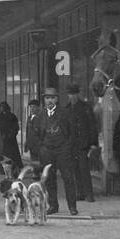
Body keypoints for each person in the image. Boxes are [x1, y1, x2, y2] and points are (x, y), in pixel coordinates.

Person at [28, 86, 78, 215]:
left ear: (57, 99)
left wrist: (67, 147)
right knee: (49, 179)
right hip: (47, 151)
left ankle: (72, 207)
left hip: (63, 150)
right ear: (44, 100)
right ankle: (53, 206)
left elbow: (72, 132)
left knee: (68, 178)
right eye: (47, 98)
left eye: (52, 98)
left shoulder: (65, 113)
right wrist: (41, 149)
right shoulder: (39, 115)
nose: (50, 100)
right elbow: (35, 135)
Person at [67, 83, 98, 203]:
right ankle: (80, 193)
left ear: (78, 95)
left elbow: (92, 126)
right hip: (71, 144)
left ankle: (89, 194)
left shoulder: (85, 107)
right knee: (75, 169)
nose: (72, 97)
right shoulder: (67, 109)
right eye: (70, 94)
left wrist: (93, 143)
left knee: (84, 169)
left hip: (83, 144)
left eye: (74, 94)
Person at [0, 100, 22, 173]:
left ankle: (13, 169)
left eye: (3, 107)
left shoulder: (12, 116)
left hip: (10, 140)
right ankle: (2, 169)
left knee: (12, 155)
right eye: (0, 107)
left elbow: (15, 127)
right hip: (1, 139)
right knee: (2, 155)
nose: (2, 108)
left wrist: (10, 135)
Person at [23, 97, 42, 165]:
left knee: (40, 163)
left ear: (38, 107)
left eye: (34, 107)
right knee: (34, 163)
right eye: (30, 107)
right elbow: (28, 132)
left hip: (39, 146)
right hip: (31, 145)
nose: (32, 109)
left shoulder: (41, 118)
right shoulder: (29, 118)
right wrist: (26, 143)